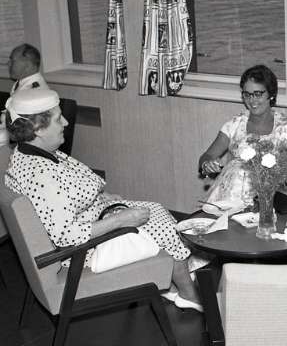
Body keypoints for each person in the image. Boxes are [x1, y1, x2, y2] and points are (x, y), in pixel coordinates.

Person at [4, 89, 202, 313]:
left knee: (154, 209)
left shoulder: (27, 153)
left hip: (87, 222)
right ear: (38, 129)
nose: (66, 122)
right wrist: (120, 220)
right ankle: (188, 294)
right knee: (166, 229)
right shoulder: (40, 176)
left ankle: (175, 281)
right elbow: (66, 236)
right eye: (58, 119)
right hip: (82, 254)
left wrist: (100, 199)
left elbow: (58, 200)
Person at [198, 64, 287, 206]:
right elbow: (207, 156)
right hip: (230, 197)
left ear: (271, 94)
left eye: (258, 94)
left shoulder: (285, 128)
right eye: (247, 94)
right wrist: (207, 164)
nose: (252, 100)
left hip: (269, 200)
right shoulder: (234, 125)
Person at [0, 44, 49, 148]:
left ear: (27, 65)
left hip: (22, 144)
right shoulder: (21, 83)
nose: (8, 64)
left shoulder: (35, 91)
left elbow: (26, 132)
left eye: (12, 60)